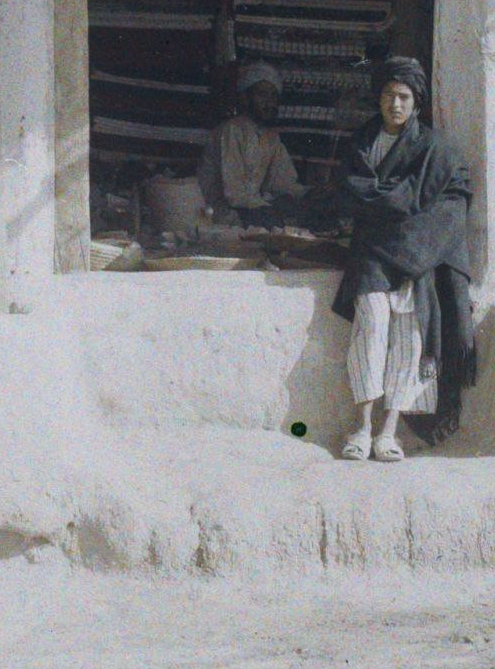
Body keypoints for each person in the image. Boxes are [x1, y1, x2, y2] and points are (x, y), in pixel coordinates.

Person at [331, 57, 476, 462]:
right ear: (378, 100)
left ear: (416, 103)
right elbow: (350, 191)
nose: (396, 104)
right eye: (388, 95)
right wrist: (392, 209)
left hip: (414, 256)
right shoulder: (362, 143)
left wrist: (405, 230)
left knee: (409, 338)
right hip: (371, 256)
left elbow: (450, 201)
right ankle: (361, 428)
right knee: (372, 325)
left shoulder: (435, 149)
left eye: (404, 97)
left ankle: (388, 432)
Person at [196, 60, 305, 228]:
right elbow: (234, 194)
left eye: (273, 96)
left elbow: (282, 183)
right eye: (262, 94)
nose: (269, 103)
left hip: (253, 209)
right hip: (222, 214)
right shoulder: (231, 130)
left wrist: (309, 193)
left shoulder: (271, 138)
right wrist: (267, 208)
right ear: (245, 98)